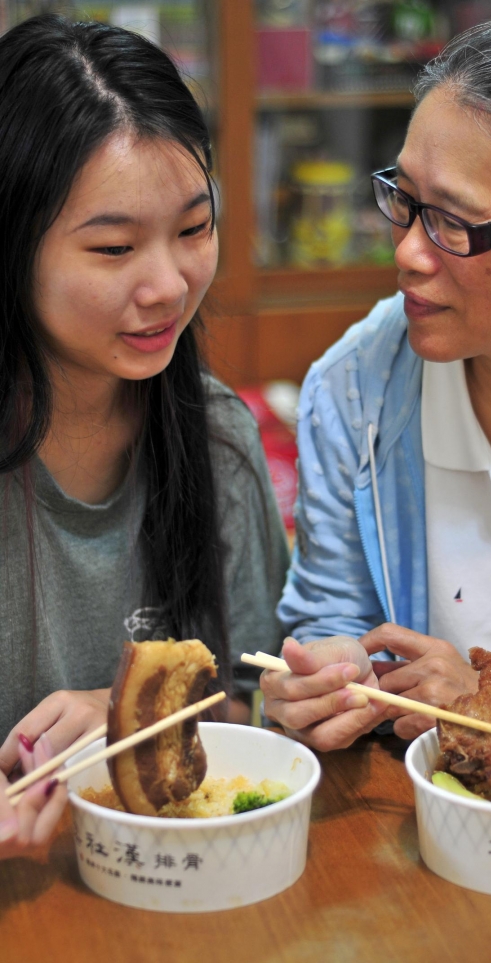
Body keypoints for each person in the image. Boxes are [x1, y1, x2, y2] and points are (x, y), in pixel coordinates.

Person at [262, 15, 491, 751]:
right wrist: (330, 671)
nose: (406, 253)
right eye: (402, 200)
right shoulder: (356, 391)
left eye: (454, 223)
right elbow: (333, 619)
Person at [0, 15, 289, 857]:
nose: (169, 283)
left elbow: (250, 699)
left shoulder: (218, 439)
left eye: (194, 229)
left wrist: (123, 715)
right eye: (115, 246)